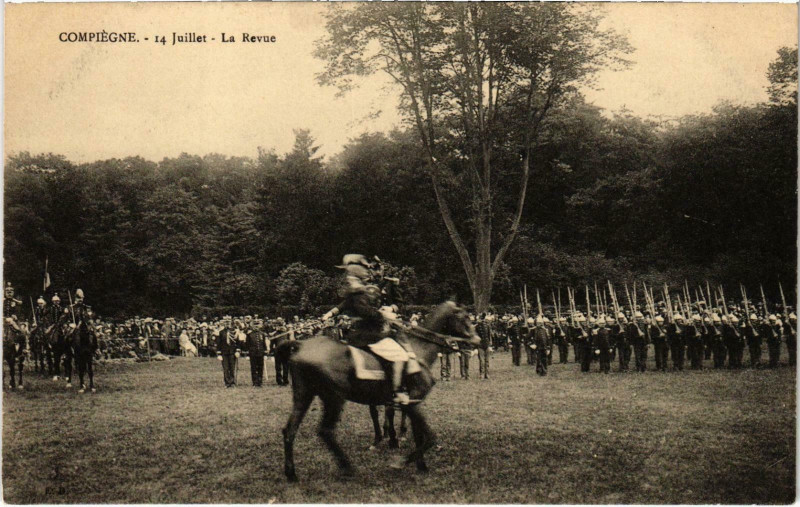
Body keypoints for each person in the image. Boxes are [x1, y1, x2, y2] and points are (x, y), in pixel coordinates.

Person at [321, 255, 410, 405]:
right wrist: (331, 312)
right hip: (373, 329)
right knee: (399, 354)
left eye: (377, 268)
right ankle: (396, 391)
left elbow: (398, 302)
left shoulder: (389, 284)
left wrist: (391, 308)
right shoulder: (362, 287)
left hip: (380, 324)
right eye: (372, 268)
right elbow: (353, 305)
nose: (374, 271)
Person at [216, 318, 240, 387]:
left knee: (232, 368)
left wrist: (237, 351)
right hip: (224, 353)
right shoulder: (221, 332)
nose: (227, 324)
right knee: (226, 368)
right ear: (224, 324)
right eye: (226, 322)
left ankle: (232, 382)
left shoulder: (235, 331)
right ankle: (227, 382)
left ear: (231, 323)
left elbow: (238, 342)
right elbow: (219, 343)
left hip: (232, 352)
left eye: (228, 322)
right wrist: (219, 354)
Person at [246, 319, 267, 387]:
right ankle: (255, 382)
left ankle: (260, 382)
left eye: (257, 325)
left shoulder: (262, 334)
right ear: (252, 326)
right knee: (254, 368)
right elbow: (247, 345)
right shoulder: (249, 334)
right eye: (255, 325)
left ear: (260, 325)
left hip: (260, 353)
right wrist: (248, 354)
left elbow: (264, 344)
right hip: (253, 354)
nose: (256, 326)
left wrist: (265, 353)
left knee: (260, 368)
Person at [475, 313, 492, 380]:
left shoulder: (487, 326)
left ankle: (487, 374)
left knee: (487, 361)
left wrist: (490, 344)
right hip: (480, 345)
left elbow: (489, 335)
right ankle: (482, 374)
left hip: (486, 344)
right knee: (482, 361)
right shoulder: (477, 327)